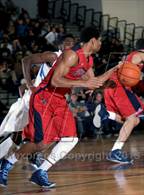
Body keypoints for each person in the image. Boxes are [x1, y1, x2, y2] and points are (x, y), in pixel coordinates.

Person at [0, 26, 119, 188]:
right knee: (41, 143)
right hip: (44, 98)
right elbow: (55, 81)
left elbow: (93, 82)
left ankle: (40, 172)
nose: (101, 43)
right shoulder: (71, 55)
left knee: (71, 139)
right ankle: (7, 162)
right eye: (100, 40)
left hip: (59, 100)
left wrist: (113, 72)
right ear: (93, 40)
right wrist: (84, 83)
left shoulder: (89, 60)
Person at [0, 34, 75, 160]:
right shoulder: (53, 56)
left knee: (28, 137)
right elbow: (25, 60)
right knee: (18, 136)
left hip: (43, 103)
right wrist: (30, 86)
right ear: (60, 45)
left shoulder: (67, 64)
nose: (70, 46)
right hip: (34, 100)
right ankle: (31, 159)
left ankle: (32, 158)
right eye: (67, 42)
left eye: (72, 43)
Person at [104, 38, 144, 164]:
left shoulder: (132, 56)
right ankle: (115, 151)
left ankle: (107, 114)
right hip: (119, 86)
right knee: (132, 119)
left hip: (114, 85)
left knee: (135, 120)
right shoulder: (140, 55)